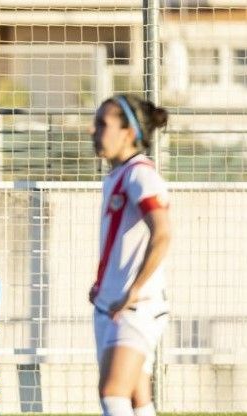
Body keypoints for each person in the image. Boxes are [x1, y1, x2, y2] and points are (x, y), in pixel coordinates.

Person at [88, 95, 171, 416]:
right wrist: (103, 285)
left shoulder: (141, 174)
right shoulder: (118, 176)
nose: (93, 131)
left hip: (138, 306)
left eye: (102, 125)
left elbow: (162, 233)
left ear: (128, 132)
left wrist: (134, 289)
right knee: (137, 398)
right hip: (112, 303)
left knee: (113, 392)